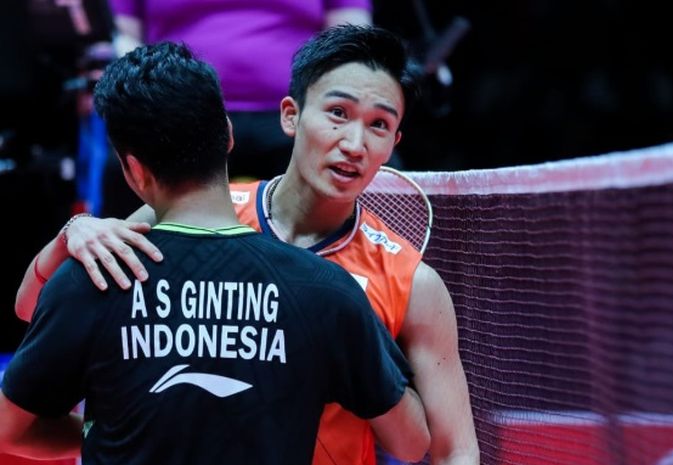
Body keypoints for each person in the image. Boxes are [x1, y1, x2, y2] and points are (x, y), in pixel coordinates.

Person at [14, 26, 479, 465]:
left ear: (394, 142)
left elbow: (448, 449)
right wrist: (71, 235)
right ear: (291, 115)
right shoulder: (200, 210)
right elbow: (37, 307)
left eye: (379, 125)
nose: (354, 143)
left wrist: (354, 342)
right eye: (338, 113)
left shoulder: (411, 281)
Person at [110, 0, 372, 182]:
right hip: (179, 112)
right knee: (126, 164)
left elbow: (352, 36)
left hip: (298, 113)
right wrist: (146, 95)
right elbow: (122, 35)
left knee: (373, 167)